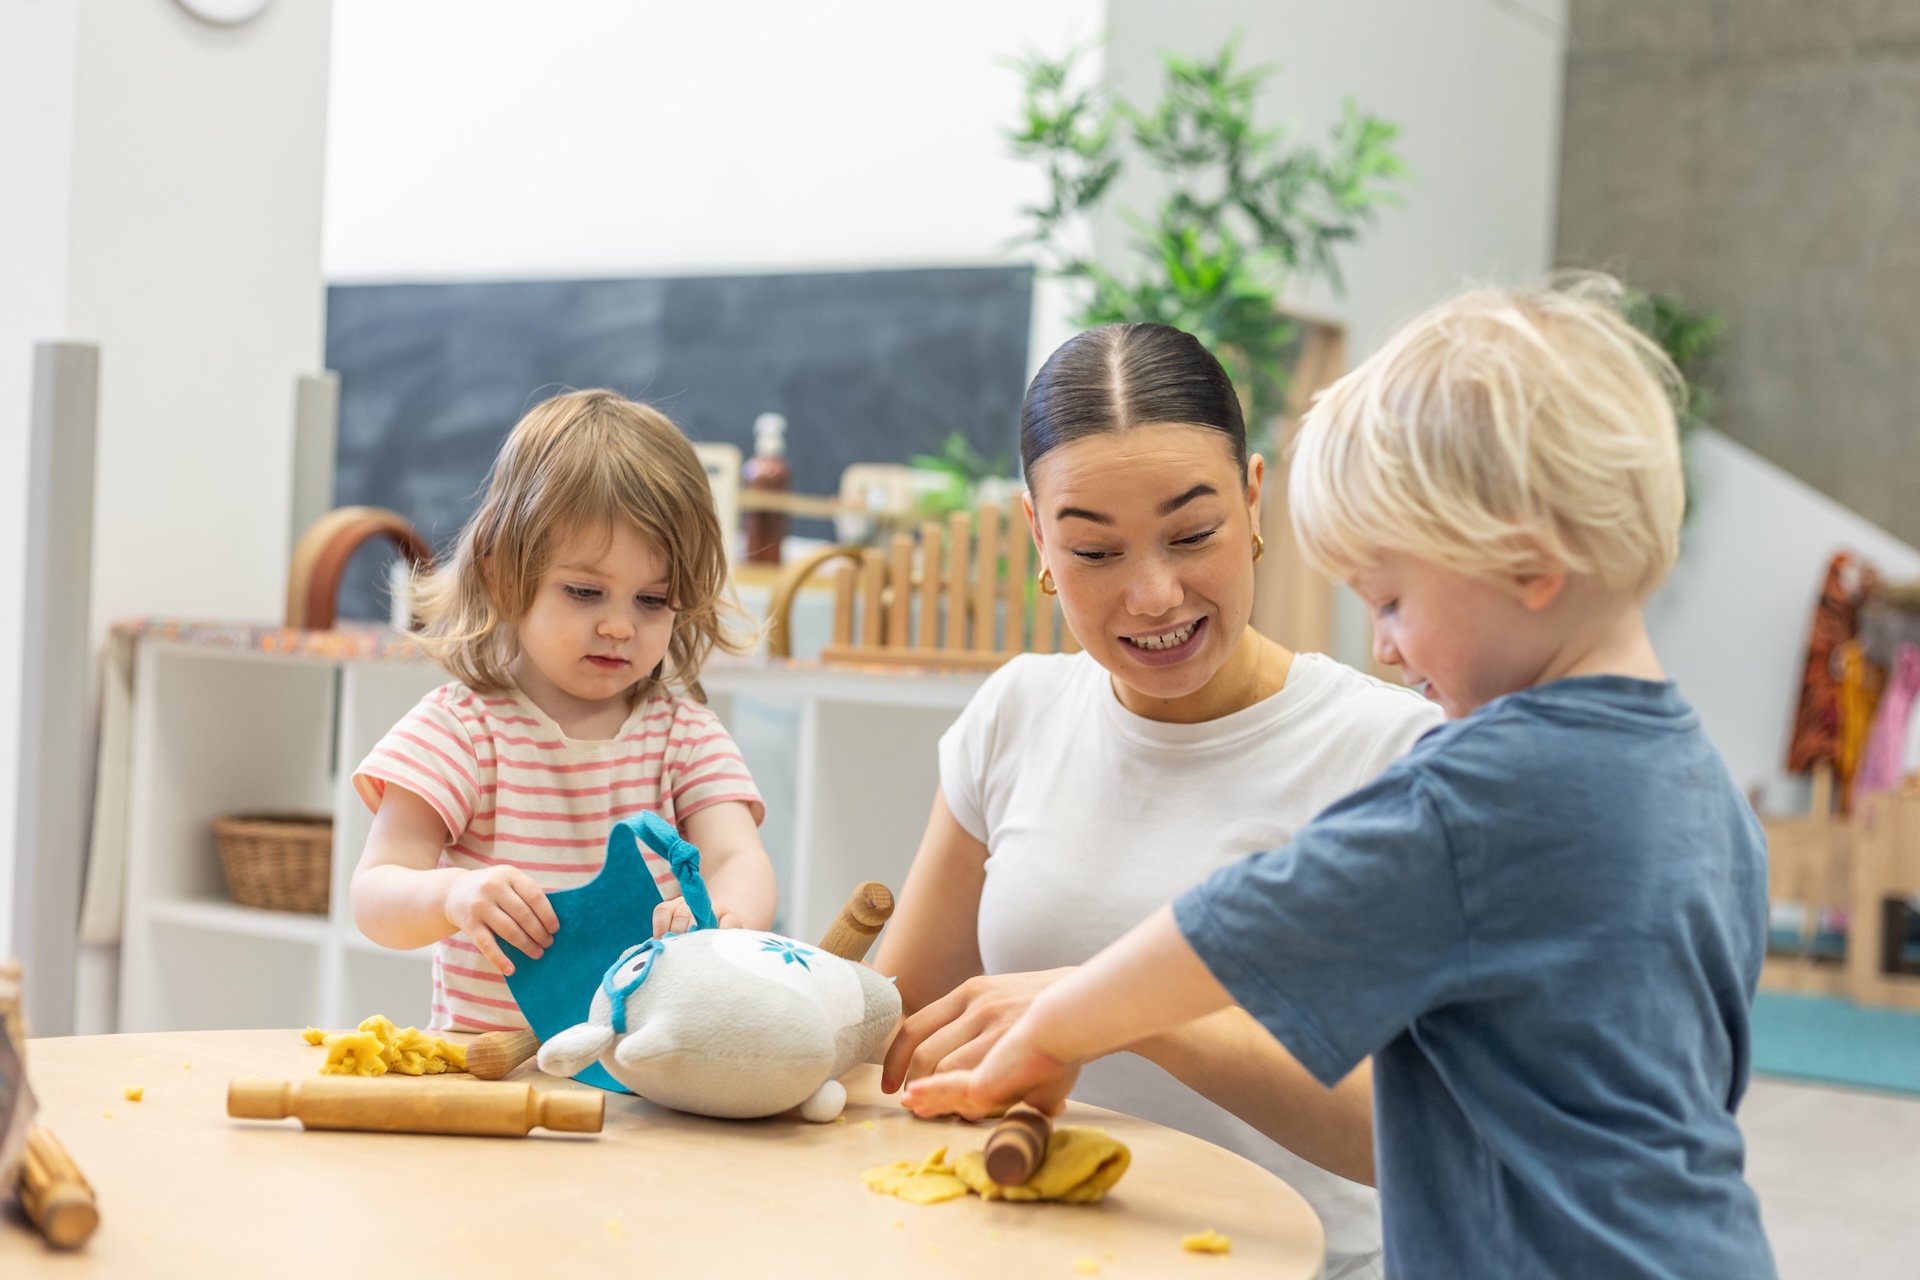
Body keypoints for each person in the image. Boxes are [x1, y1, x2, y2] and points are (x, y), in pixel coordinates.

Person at [903, 281, 1778, 1279]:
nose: (1384, 645)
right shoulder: (1707, 792)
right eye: (1095, 548)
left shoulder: (1465, 785)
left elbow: (1228, 928)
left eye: (1394, 598)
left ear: (1533, 563)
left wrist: (1058, 1024)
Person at [875, 323, 1443, 1279]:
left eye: (1192, 535)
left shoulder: (1391, 756)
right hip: (1022, 1254)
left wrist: (1119, 1009)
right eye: (1094, 551)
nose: (1152, 594)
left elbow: (1423, 1134)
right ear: (1039, 539)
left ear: (1255, 500)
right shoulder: (1016, 714)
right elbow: (904, 1034)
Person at [350, 389, 777, 1033]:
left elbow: (736, 858)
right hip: (489, 1084)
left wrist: (725, 919)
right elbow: (375, 892)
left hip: (646, 1082)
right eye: (584, 592)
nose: (618, 626)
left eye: (653, 600)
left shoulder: (682, 734)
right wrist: (453, 894)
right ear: (504, 578)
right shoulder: (463, 730)